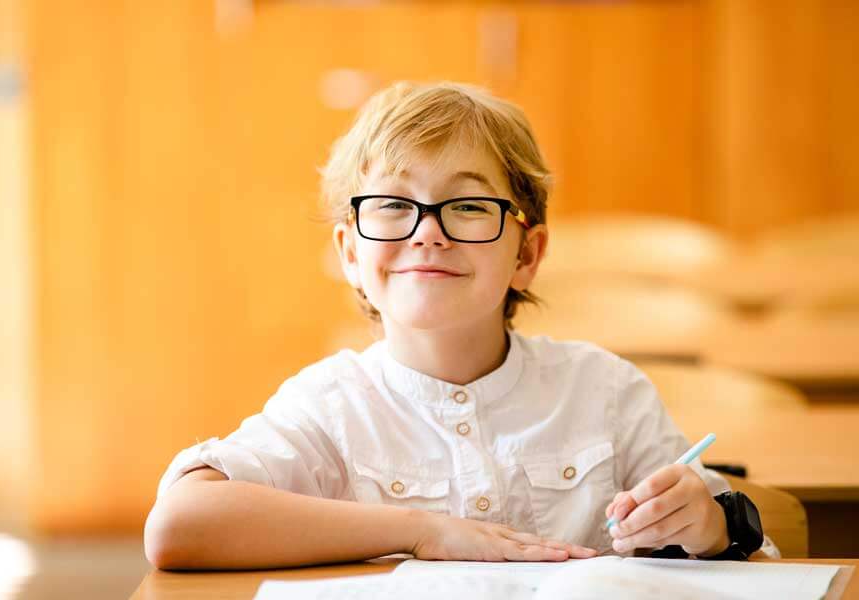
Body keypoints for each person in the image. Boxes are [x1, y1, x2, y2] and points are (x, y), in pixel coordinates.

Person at [143, 80, 759, 571]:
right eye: (391, 205)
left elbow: (720, 531)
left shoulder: (604, 391)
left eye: (467, 205)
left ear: (526, 255)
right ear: (351, 255)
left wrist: (706, 526)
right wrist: (421, 532)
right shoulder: (330, 407)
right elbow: (179, 524)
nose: (426, 231)